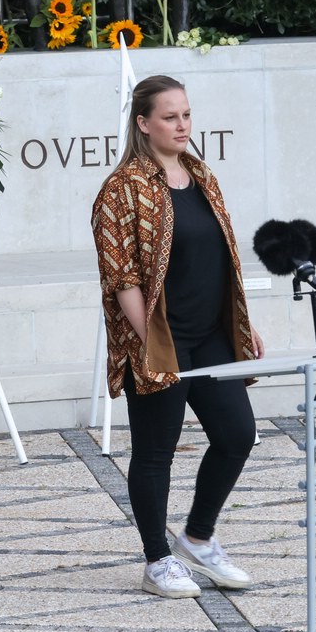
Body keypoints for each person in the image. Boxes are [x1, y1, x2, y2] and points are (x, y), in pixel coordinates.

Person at [90, 74, 265, 598]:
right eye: (170, 117)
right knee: (154, 452)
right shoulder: (122, 189)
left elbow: (223, 256)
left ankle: (198, 538)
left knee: (236, 434)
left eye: (186, 114)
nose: (182, 125)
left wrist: (243, 322)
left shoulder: (201, 175)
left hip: (211, 333)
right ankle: (157, 559)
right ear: (143, 123)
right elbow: (120, 276)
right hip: (161, 337)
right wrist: (150, 341)